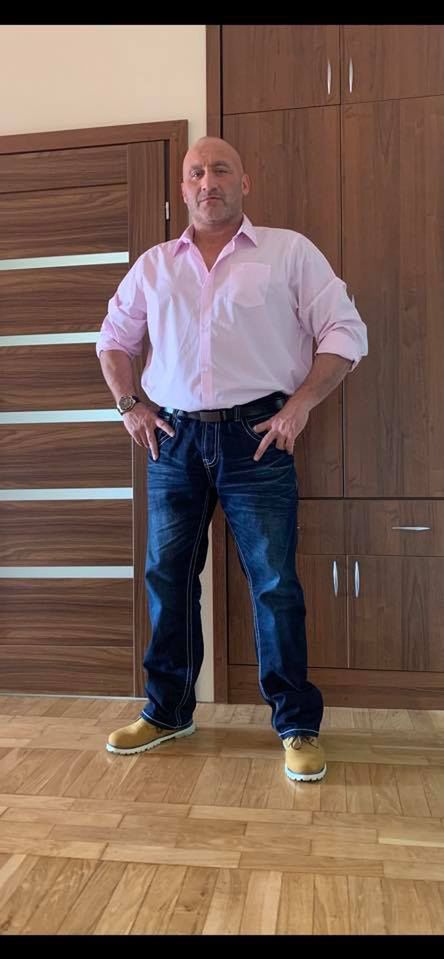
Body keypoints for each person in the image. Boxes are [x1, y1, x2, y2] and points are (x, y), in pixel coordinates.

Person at [96, 136, 368, 782]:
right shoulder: (154, 266)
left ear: (245, 181)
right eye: (196, 172)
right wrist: (130, 405)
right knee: (167, 577)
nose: (207, 181)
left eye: (220, 170)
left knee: (273, 583)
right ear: (182, 188)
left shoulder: (288, 252)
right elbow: (113, 340)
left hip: (259, 437)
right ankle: (168, 711)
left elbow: (345, 332)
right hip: (173, 440)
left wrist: (300, 406)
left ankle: (296, 723)